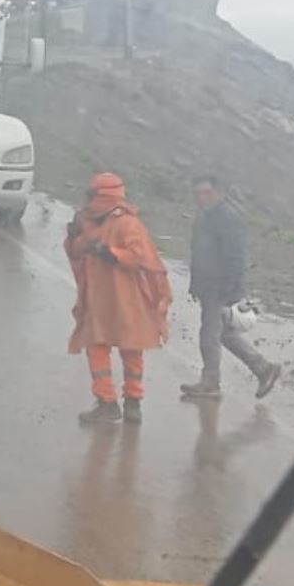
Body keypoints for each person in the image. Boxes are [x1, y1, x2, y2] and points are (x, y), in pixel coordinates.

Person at [65, 172, 172, 425]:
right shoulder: (89, 222)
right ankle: (107, 402)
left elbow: (140, 257)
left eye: (92, 195)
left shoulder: (128, 224)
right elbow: (77, 252)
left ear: (105, 197)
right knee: (96, 348)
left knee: (131, 349)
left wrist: (110, 253)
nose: (88, 201)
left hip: (127, 300)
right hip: (97, 299)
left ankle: (133, 403)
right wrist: (73, 237)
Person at [182, 174, 281, 400]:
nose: (201, 198)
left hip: (219, 288)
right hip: (207, 286)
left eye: (206, 193)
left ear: (218, 192)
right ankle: (264, 368)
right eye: (198, 194)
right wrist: (194, 284)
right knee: (224, 333)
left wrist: (229, 290)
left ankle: (210, 383)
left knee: (209, 333)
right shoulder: (203, 216)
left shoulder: (227, 217)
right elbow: (199, 253)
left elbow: (236, 258)